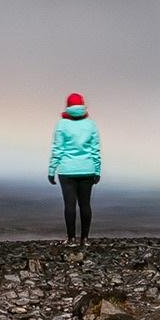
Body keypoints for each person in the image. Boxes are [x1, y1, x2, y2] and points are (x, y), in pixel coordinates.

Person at [47, 91, 101, 243]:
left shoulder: (61, 124)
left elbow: (57, 149)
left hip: (67, 171)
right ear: (83, 105)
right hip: (88, 169)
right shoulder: (91, 124)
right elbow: (95, 150)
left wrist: (52, 170)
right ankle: (85, 238)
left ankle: (71, 238)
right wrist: (97, 170)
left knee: (69, 205)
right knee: (85, 204)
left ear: (68, 106)